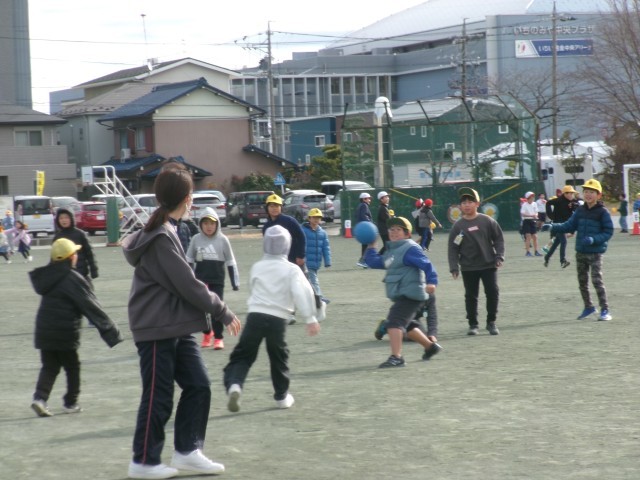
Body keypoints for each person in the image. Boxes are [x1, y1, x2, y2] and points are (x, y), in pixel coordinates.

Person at [122, 168, 241, 479]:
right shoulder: (161, 236)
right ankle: (143, 462)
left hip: (177, 325)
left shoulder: (170, 229)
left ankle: (187, 451)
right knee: (158, 396)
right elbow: (188, 284)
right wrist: (223, 311)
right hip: (156, 327)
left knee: (199, 385)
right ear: (187, 199)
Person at [223, 225, 320, 412]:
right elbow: (303, 292)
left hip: (255, 316)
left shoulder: (257, 266)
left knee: (243, 355)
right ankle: (282, 397)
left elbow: (252, 288)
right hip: (278, 319)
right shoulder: (292, 269)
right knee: (278, 357)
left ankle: (235, 384)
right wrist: (310, 318)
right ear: (287, 246)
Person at [28, 238, 123, 417]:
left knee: (49, 366)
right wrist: (110, 331)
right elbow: (90, 305)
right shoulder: (72, 278)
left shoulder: (47, 275)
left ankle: (39, 399)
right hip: (65, 332)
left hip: (44, 330)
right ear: (71, 257)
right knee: (72, 367)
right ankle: (70, 402)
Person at [363, 217, 442, 368]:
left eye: (398, 230)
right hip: (404, 295)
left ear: (407, 234)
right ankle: (430, 347)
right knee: (407, 325)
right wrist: (372, 246)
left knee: (394, 323)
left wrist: (432, 282)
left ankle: (396, 357)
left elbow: (427, 265)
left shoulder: (410, 248)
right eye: (391, 229)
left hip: (411, 294)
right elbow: (375, 262)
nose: (393, 232)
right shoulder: (393, 251)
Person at [541, 179, 614, 321]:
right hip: (581, 251)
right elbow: (569, 225)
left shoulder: (602, 212)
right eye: (586, 191)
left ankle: (605, 310)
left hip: (595, 252)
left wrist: (593, 239)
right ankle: (588, 307)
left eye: (591, 192)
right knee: (582, 282)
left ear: (598, 195)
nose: (588, 194)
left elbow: (608, 232)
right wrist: (552, 226)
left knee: (597, 281)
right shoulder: (580, 210)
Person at [447, 187, 505, 336]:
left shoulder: (487, 221)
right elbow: (453, 248)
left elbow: (498, 239)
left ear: (477, 204)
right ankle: (473, 324)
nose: (466, 205)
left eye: (470, 202)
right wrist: (454, 267)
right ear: (460, 206)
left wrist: (499, 256)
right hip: (468, 267)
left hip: (488, 265)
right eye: (463, 202)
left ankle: (491, 322)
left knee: (492, 292)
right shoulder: (458, 226)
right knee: (471, 296)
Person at [186, 207, 239, 350]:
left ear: (217, 224)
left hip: (217, 281)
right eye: (205, 223)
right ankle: (207, 334)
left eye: (212, 223)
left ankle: (218, 338)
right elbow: (188, 260)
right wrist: (189, 279)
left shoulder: (223, 240)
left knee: (217, 309)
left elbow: (231, 261)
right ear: (200, 224)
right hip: (200, 281)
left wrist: (235, 283)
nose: (209, 226)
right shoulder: (196, 239)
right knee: (202, 309)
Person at [53, 208, 99, 287]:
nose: (64, 220)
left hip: (81, 273)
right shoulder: (57, 237)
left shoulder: (80, 234)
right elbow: (54, 258)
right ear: (58, 220)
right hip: (65, 276)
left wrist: (93, 270)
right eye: (61, 218)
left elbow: (89, 253)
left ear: (71, 218)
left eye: (66, 217)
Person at [263, 193, 306, 268]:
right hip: (276, 262)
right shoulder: (266, 226)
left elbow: (301, 237)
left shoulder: (289, 221)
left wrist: (300, 256)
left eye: (277, 206)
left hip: (294, 260)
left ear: (281, 208)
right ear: (267, 208)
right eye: (271, 206)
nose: (274, 208)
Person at [543, 185, 578, 268]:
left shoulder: (571, 202)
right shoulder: (558, 200)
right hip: (558, 225)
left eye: (572, 193)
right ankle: (563, 261)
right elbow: (548, 203)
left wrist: (573, 207)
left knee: (556, 243)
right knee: (564, 241)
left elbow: (572, 213)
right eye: (570, 193)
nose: (572, 195)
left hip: (564, 225)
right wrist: (551, 215)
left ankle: (547, 257)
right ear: (565, 194)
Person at [301, 208, 331, 303]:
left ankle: (309, 298)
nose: (316, 219)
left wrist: (327, 261)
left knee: (308, 282)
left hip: (316, 263)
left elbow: (326, 248)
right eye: (314, 217)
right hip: (306, 262)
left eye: (318, 217)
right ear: (309, 218)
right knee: (314, 281)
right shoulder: (303, 231)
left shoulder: (323, 233)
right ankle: (319, 298)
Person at [521, 191, 541, 256]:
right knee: (528, 236)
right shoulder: (524, 205)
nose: (533, 197)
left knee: (535, 237)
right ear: (528, 198)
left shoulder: (534, 204)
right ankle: (528, 252)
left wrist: (535, 215)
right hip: (526, 221)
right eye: (531, 196)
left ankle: (536, 251)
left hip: (532, 221)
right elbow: (522, 214)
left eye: (533, 196)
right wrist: (531, 215)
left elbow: (536, 212)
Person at [355, 192, 372, 268]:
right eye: (368, 199)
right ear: (364, 199)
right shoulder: (364, 206)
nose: (369, 200)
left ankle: (364, 261)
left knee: (365, 245)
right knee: (367, 245)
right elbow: (364, 216)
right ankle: (363, 261)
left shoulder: (360, 206)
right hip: (366, 228)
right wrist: (370, 224)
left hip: (362, 228)